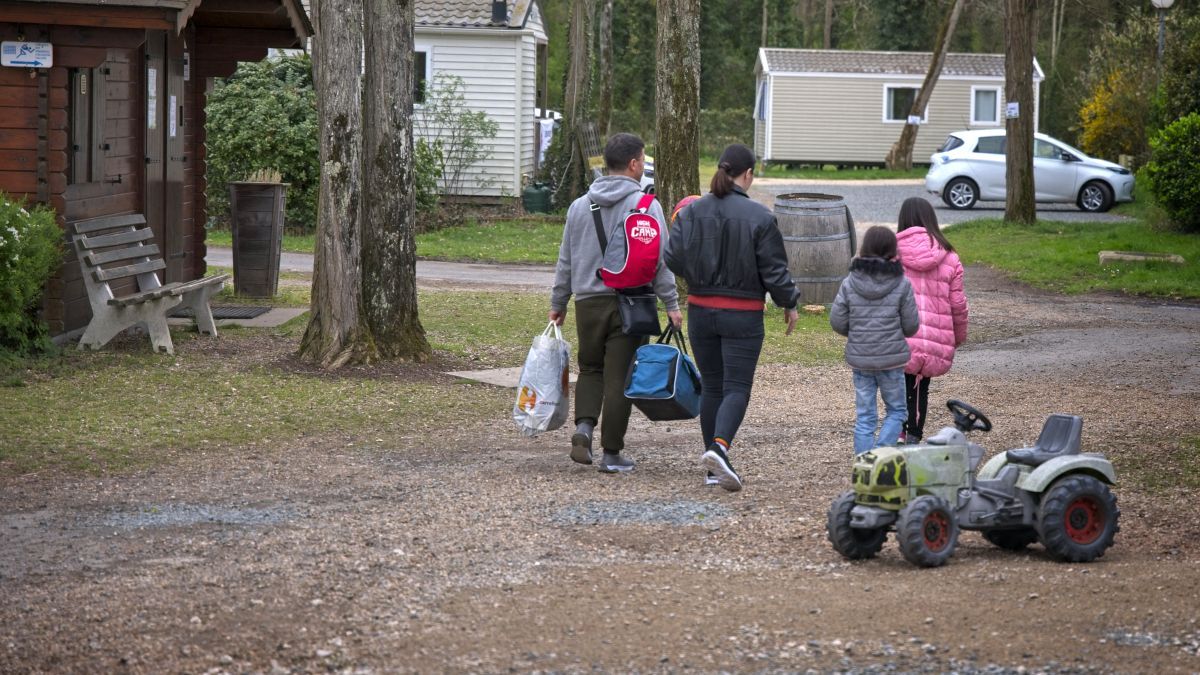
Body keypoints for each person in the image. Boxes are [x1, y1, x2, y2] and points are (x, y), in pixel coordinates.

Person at [666, 143, 799, 491]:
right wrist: (789, 303)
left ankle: (713, 467)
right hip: (742, 314)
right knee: (736, 386)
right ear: (748, 174)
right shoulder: (760, 217)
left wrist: (696, 274)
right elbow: (775, 270)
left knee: (712, 385)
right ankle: (720, 449)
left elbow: (672, 257)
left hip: (700, 309)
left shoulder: (691, 212)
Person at [549, 132, 683, 474]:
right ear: (634, 164)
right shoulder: (646, 206)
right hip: (632, 303)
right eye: (643, 160)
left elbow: (566, 258)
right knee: (621, 377)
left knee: (591, 368)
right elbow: (660, 261)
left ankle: (584, 428)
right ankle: (611, 453)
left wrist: (559, 301)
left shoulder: (579, 206)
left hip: (587, 303)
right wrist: (671, 302)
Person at [830, 226, 920, 455]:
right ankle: (879, 455)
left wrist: (859, 334)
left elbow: (837, 321)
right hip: (892, 361)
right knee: (898, 411)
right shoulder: (902, 283)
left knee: (865, 416)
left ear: (865, 248)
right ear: (892, 250)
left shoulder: (850, 281)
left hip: (861, 361)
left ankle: (863, 462)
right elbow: (911, 326)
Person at [895, 198, 969, 444]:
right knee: (919, 387)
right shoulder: (949, 256)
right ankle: (913, 438)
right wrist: (957, 337)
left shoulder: (891, 254)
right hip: (933, 338)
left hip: (899, 336)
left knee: (896, 384)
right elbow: (957, 304)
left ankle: (897, 432)